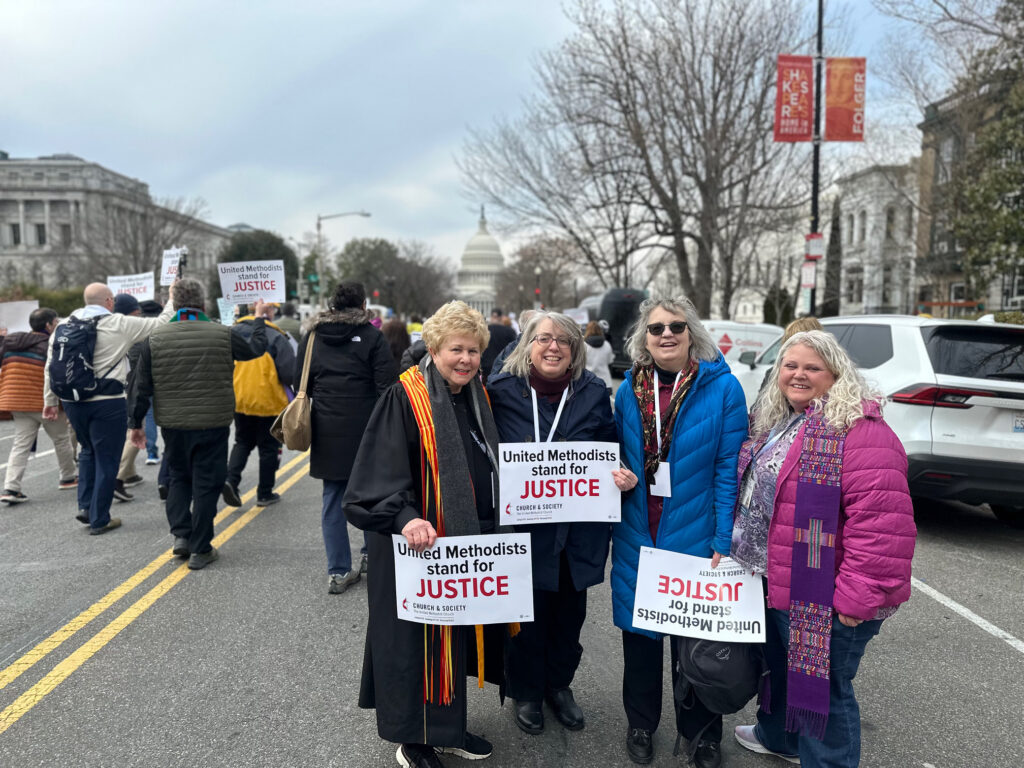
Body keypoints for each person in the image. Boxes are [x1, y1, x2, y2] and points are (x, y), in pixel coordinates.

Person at [731, 330, 916, 768]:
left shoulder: (861, 432)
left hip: (827, 595)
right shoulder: (783, 421)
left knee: (824, 693)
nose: (798, 374)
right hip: (778, 581)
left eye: (812, 367)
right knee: (782, 669)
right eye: (790, 366)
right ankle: (779, 738)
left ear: (836, 374)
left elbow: (882, 528)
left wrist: (857, 595)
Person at [343, 300, 506, 768]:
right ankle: (413, 739)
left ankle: (447, 728)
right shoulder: (404, 397)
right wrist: (405, 517)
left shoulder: (476, 397)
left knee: (452, 635)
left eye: (474, 351)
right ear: (433, 349)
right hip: (413, 546)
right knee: (414, 643)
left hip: (460, 544)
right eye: (456, 349)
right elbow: (376, 476)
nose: (466, 360)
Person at [611, 297, 747, 768]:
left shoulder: (724, 389)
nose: (666, 334)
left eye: (676, 326)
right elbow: (619, 454)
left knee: (697, 646)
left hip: (695, 531)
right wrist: (619, 472)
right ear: (643, 339)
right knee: (640, 642)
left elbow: (729, 469)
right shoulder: (629, 389)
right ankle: (640, 724)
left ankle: (703, 735)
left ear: (692, 334)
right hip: (637, 532)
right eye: (656, 329)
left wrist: (722, 540)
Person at [487, 311, 635, 735]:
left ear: (575, 350)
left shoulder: (591, 390)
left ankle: (560, 686)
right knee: (526, 618)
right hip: (524, 531)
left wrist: (621, 470)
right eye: (544, 339)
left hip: (578, 530)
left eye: (564, 341)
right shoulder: (501, 391)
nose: (553, 347)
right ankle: (528, 692)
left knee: (569, 617)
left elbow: (609, 443)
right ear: (527, 346)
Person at [127, 278, 270, 568]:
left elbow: (140, 387)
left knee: (178, 477)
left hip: (173, 424)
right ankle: (201, 548)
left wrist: (136, 423)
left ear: (175, 304)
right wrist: (258, 318)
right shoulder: (222, 334)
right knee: (207, 482)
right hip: (213, 423)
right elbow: (256, 350)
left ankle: (181, 535)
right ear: (203, 304)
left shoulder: (153, 340)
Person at [44, 282, 175, 534]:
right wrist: (170, 298)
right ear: (109, 301)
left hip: (73, 402)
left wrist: (50, 401)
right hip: (107, 401)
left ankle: (85, 507)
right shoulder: (118, 323)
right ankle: (100, 518)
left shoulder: (63, 326)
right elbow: (162, 323)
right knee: (108, 458)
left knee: (87, 451)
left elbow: (51, 366)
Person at [298, 281, 396, 594]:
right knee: (371, 494)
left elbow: (299, 379)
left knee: (332, 498)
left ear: (332, 304)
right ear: (363, 303)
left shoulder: (313, 336)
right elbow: (387, 386)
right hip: (367, 428)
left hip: (327, 427)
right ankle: (371, 556)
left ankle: (338, 570)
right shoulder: (372, 336)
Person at [0, 307, 78, 504]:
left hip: (16, 401)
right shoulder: (50, 345)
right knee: (61, 439)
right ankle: (68, 477)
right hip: (44, 403)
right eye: (56, 322)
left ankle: (11, 487)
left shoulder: (11, 343)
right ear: (48, 325)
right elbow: (58, 376)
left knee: (20, 444)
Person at [222, 308, 296, 508]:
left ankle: (231, 480)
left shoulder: (231, 334)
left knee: (242, 442)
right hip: (268, 401)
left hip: (240, 399)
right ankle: (264, 493)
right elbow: (289, 372)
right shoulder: (276, 336)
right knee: (269, 447)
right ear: (267, 314)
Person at [113, 293, 146, 499]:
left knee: (126, 431)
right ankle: (118, 478)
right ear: (134, 311)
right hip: (134, 387)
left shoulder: (110, 327)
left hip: (114, 387)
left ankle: (130, 473)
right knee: (134, 432)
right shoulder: (135, 330)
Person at [480, 307, 516, 386]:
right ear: (501, 317)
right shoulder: (509, 331)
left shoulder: (483, 330)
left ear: (492, 317)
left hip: (486, 367)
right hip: (503, 367)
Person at [583, 320, 614, 395]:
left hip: (588, 383)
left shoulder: (584, 345)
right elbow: (610, 362)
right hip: (605, 382)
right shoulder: (607, 344)